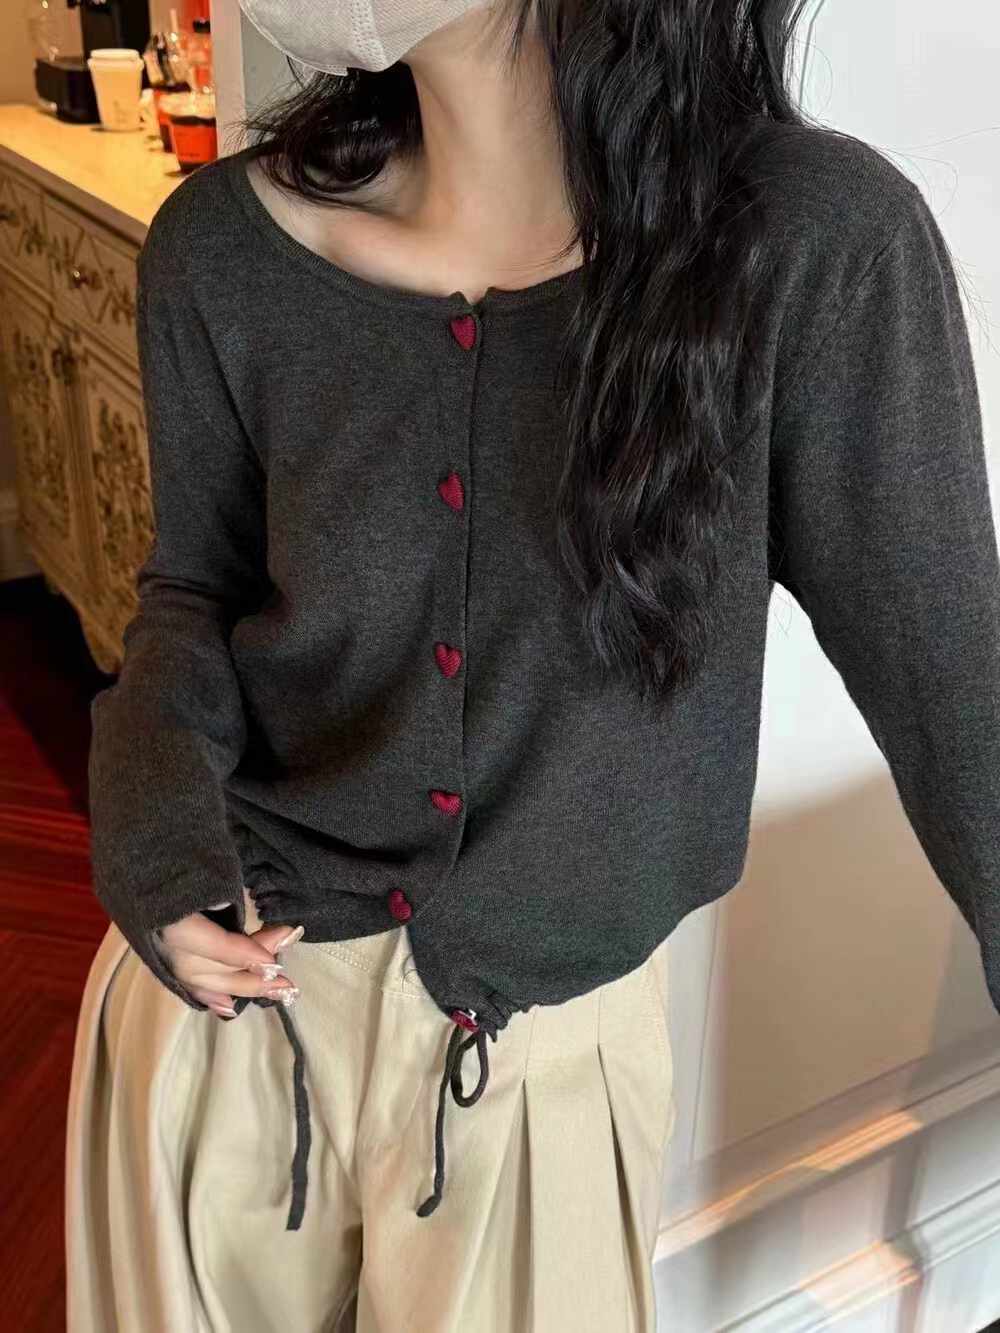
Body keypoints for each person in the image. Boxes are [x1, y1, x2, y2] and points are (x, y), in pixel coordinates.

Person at [65, 0, 1000, 1329]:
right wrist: (151, 839)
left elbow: (958, 697)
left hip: (532, 1079)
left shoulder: (810, 247)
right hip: (218, 1025)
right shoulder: (219, 246)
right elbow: (192, 597)